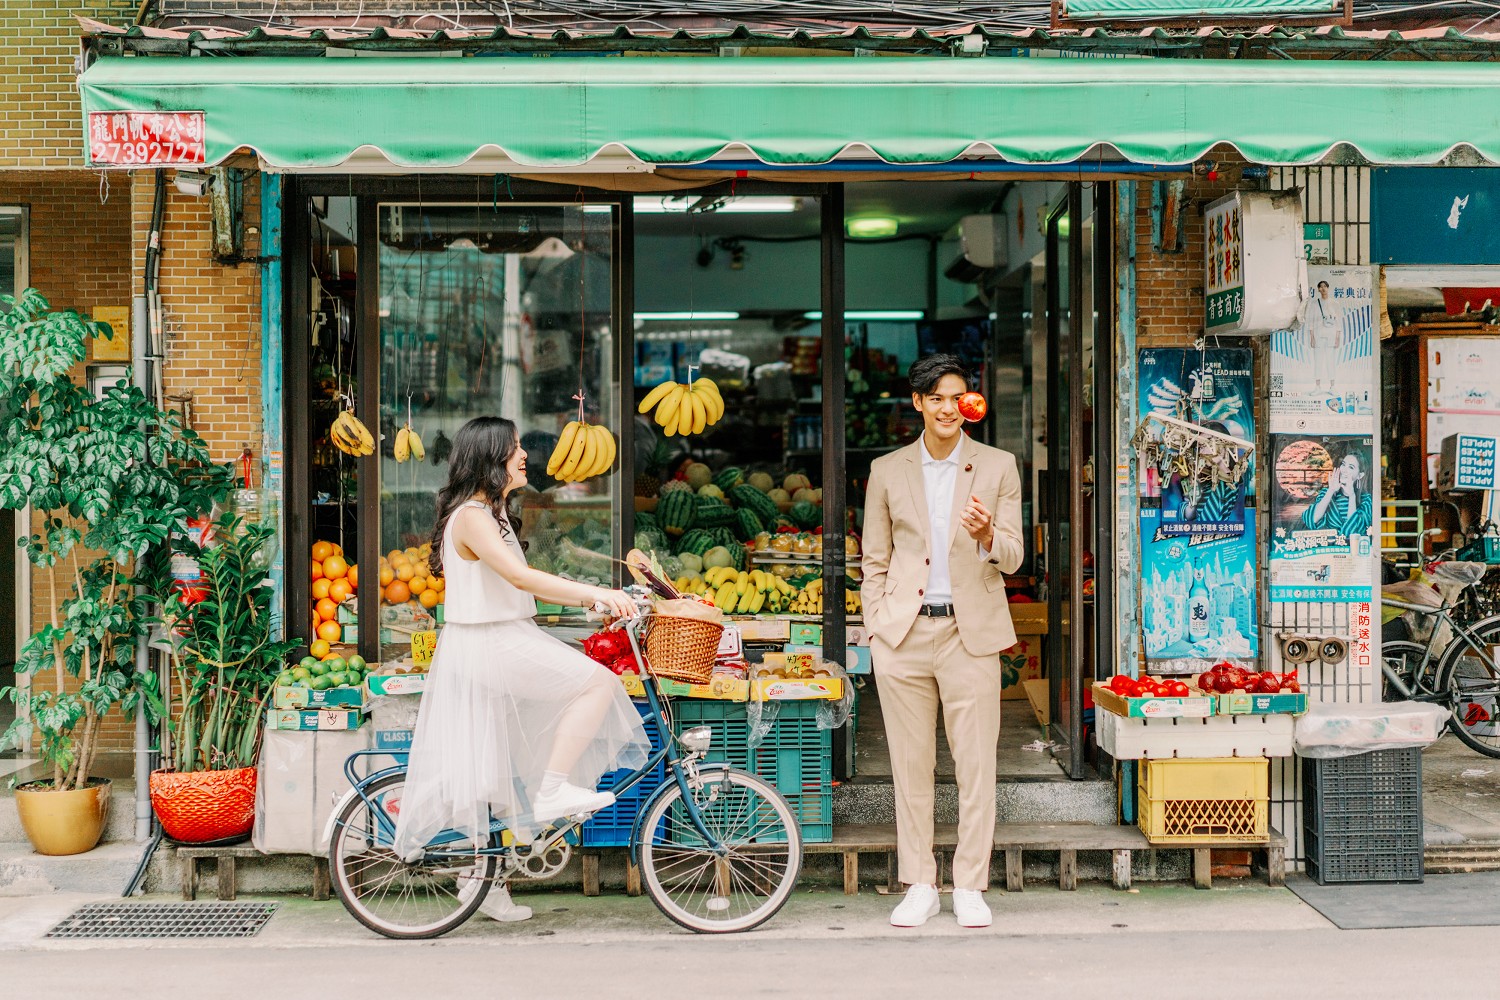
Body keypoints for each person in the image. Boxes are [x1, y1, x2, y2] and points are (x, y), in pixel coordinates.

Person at [392, 416, 651, 922]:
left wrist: (606, 587)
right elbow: (519, 575)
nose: (524, 455)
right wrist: (598, 593)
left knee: (501, 766)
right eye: (514, 449)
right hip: (490, 643)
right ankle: (553, 789)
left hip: (502, 638)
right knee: (596, 682)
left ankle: (481, 884)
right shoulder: (471, 516)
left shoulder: (494, 513)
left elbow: (522, 579)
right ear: (491, 459)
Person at [860, 354, 1025, 929]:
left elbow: (1015, 555)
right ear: (918, 404)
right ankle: (920, 882)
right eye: (936, 398)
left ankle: (970, 884)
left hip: (969, 633)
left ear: (968, 403)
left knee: (975, 765)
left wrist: (986, 537)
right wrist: (877, 625)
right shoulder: (887, 469)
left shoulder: (999, 466)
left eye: (957, 397)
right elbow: (874, 560)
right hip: (902, 634)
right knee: (911, 766)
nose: (948, 408)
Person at [1302, 447, 1373, 539]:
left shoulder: (1366, 500)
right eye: (1343, 464)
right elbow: (1312, 519)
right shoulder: (1327, 493)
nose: (1344, 470)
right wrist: (1331, 491)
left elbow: (1353, 533)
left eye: (1351, 467)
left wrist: (1352, 496)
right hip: (1326, 548)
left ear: (1360, 475)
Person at [1307, 280, 1343, 393]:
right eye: (1321, 287)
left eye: (1325, 286)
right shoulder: (1314, 304)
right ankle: (1317, 386)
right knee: (1318, 361)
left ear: (1328, 288)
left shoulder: (1334, 303)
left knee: (1330, 361)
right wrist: (1312, 337)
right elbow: (1311, 321)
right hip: (1318, 336)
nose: (1323, 289)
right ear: (1318, 289)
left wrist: (1337, 338)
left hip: (1331, 336)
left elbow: (1338, 322)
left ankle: (1332, 386)